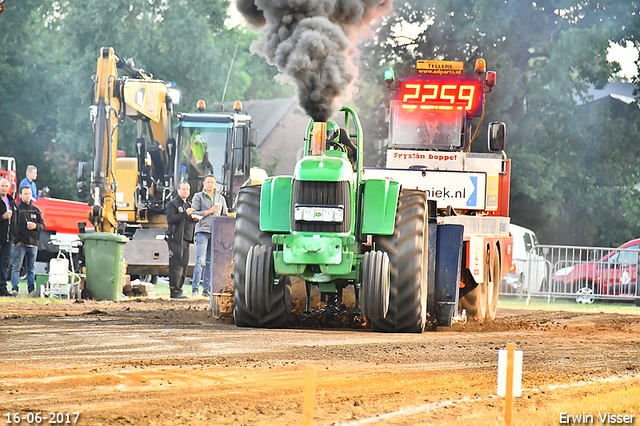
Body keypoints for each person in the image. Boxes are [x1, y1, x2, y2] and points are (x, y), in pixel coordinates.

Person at [190, 174, 228, 298]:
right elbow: (194, 213)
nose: (210, 184)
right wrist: (210, 211)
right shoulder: (198, 196)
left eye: (212, 182)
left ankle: (206, 290)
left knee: (210, 262)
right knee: (200, 261)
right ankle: (195, 289)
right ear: (204, 184)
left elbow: (224, 215)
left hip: (215, 233)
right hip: (202, 231)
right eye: (208, 182)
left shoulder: (221, 198)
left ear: (215, 184)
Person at [11, 185, 44, 296]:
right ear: (20, 195)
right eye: (25, 193)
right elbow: (13, 226)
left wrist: (35, 226)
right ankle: (14, 289)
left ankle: (31, 290)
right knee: (17, 266)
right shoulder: (17, 209)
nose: (27, 196)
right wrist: (16, 241)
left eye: (29, 193)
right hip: (20, 244)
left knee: (31, 268)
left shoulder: (36, 210)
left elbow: (42, 225)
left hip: (33, 244)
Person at [165, 181, 196, 299]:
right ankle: (174, 291)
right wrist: (185, 214)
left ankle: (180, 289)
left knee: (184, 264)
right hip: (175, 238)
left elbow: (188, 219)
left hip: (186, 238)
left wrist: (194, 219)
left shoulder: (188, 205)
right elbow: (171, 219)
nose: (185, 191)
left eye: (187, 189)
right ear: (178, 190)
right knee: (176, 264)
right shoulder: (172, 204)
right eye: (183, 189)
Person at [0, 178, 17, 297]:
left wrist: (15, 236)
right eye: (2, 186)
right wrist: (3, 217)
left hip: (8, 238)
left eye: (6, 186)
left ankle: (2, 288)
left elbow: (16, 220)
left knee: (5, 262)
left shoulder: (11, 202)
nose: (4, 188)